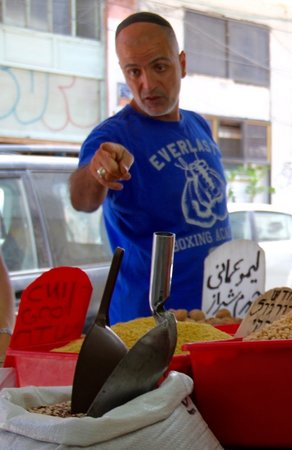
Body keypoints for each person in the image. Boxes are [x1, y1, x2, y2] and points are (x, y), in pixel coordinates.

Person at [69, 11, 231, 324]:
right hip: (147, 327)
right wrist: (97, 172)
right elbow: (82, 199)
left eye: (159, 66)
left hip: (212, 316)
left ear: (181, 64)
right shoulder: (113, 136)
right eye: (134, 71)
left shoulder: (198, 125)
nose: (147, 84)